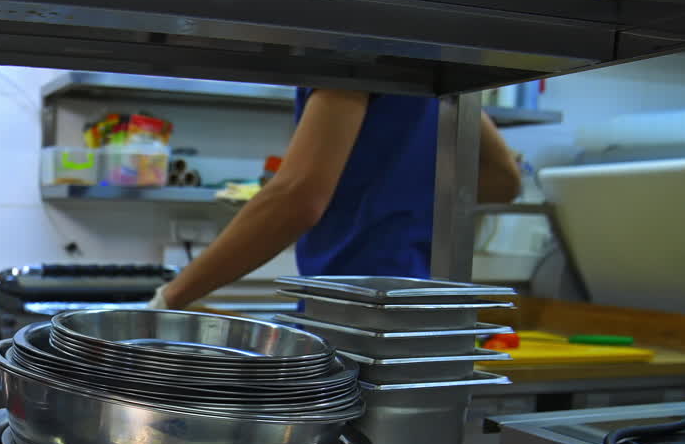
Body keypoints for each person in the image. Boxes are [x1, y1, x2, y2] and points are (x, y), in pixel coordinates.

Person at [151, 89, 521, 310]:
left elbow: (297, 197)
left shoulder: (349, 39)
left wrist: (169, 298)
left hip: (356, 315)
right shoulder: (434, 62)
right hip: (428, 312)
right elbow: (502, 180)